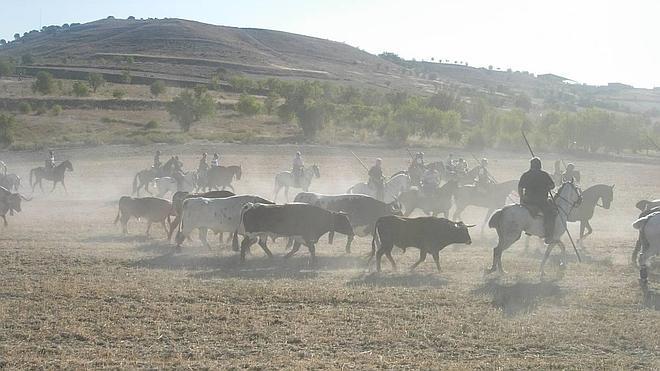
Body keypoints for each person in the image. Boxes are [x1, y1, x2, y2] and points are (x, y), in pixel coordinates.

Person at [518, 157, 557, 244]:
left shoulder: (526, 174)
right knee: (551, 214)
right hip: (541, 201)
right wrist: (547, 187)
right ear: (539, 165)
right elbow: (552, 186)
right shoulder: (544, 175)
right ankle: (549, 236)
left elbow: (520, 187)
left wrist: (521, 198)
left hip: (527, 201)